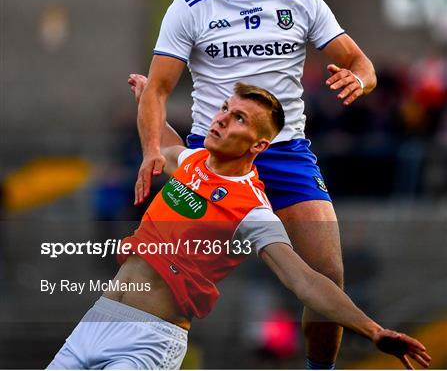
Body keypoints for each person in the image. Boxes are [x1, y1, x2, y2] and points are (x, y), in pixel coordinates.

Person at [134, 0, 378, 369]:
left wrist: (358, 82)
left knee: (328, 274)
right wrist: (151, 150)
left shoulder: (301, 3)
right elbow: (158, 89)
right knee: (161, 273)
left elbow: (360, 64)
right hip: (213, 158)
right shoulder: (189, 7)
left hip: (285, 155)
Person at [47, 80, 430, 370]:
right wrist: (149, 99)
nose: (222, 119)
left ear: (258, 145)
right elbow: (164, 141)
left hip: (147, 339)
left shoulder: (253, 209)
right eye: (226, 110)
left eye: (239, 119)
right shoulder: (193, 161)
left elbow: (306, 280)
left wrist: (373, 329)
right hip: (97, 320)